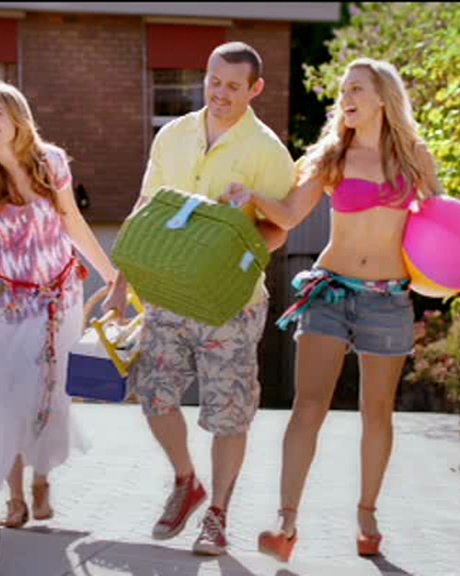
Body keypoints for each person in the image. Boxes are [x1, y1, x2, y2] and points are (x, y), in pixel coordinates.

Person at [232, 58, 460, 561]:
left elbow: (444, 216)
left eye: (356, 88)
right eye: (343, 90)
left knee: (376, 411)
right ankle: (285, 522)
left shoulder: (413, 156)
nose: (346, 97)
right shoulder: (331, 156)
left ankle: (367, 515)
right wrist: (253, 197)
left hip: (387, 298)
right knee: (309, 405)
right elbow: (289, 214)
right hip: (330, 291)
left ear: (381, 97)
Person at [105, 42, 296, 556]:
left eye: (233, 86)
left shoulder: (267, 151)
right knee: (153, 393)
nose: (221, 94)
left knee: (229, 412)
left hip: (230, 303)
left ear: (255, 88)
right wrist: (121, 280)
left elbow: (276, 229)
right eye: (214, 82)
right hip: (167, 291)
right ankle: (186, 481)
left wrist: (235, 252)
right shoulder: (173, 135)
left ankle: (218, 515)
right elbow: (145, 206)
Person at [0, 80, 121, 528]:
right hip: (2, 306)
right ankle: (15, 499)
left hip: (58, 300)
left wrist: (112, 274)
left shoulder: (50, 162)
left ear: (17, 118)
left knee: (49, 394)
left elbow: (72, 222)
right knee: (2, 398)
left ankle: (41, 480)